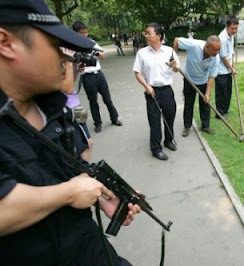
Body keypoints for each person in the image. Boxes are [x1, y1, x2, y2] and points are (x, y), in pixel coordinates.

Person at [0, 1, 140, 265]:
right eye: (55, 46)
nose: (66, 58)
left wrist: (100, 194)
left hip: (90, 248)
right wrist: (70, 192)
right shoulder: (60, 87)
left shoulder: (53, 107)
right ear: (6, 43)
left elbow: (66, 165)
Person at [133, 23, 180, 161]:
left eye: (149, 33)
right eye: (146, 33)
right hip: (151, 91)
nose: (146, 36)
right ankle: (156, 149)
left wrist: (174, 66)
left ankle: (168, 140)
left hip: (167, 90)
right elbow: (137, 73)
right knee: (154, 121)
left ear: (158, 36)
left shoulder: (169, 51)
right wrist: (147, 86)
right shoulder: (142, 53)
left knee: (170, 116)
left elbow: (177, 69)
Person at [72, 21, 123, 133]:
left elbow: (103, 56)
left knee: (107, 99)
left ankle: (114, 118)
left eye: (86, 32)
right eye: (82, 33)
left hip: (98, 74)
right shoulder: (73, 46)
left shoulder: (91, 42)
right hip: (87, 76)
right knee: (93, 101)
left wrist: (93, 52)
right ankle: (98, 123)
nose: (84, 35)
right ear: (76, 33)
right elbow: (73, 63)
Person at [173, 35, 221, 137]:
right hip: (189, 80)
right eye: (215, 50)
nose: (217, 53)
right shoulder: (194, 45)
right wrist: (174, 59)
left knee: (205, 104)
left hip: (203, 81)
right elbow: (177, 40)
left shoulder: (215, 58)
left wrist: (207, 93)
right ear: (207, 47)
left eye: (219, 50)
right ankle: (187, 126)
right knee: (188, 103)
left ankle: (205, 126)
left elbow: (212, 76)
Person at [215, 16, 239, 120]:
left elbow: (230, 53)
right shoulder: (222, 38)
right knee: (221, 93)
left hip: (228, 69)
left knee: (228, 91)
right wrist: (231, 68)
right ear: (227, 26)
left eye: (236, 28)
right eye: (232, 28)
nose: (234, 31)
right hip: (221, 70)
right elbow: (223, 57)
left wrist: (233, 65)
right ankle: (219, 113)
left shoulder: (231, 35)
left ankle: (225, 109)